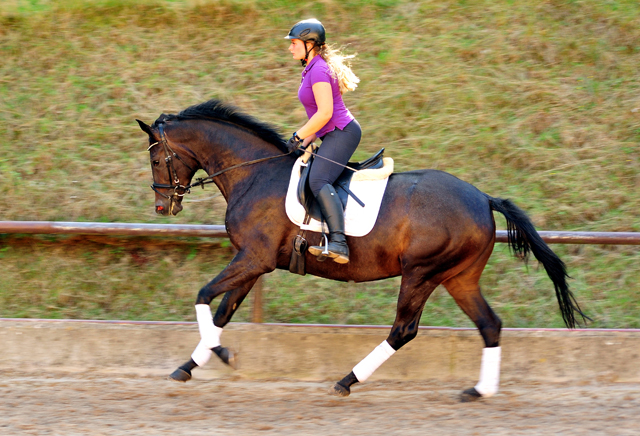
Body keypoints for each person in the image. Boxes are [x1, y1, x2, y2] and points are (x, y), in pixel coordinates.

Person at [284, 18, 361, 264]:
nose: (290, 48)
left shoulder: (318, 70)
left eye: (294, 43)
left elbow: (325, 113)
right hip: (332, 131)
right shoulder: (312, 67)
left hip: (342, 131)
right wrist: (303, 141)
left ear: (310, 44)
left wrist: (298, 135)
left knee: (319, 179)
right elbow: (318, 118)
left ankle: (339, 242)